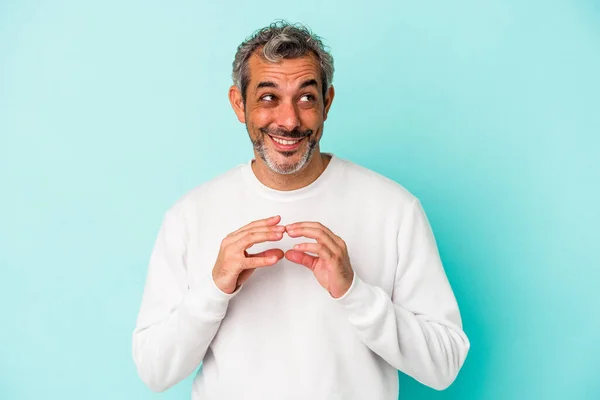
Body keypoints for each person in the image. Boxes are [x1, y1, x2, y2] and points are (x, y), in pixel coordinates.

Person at [132, 20, 470, 400]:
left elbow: (445, 365)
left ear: (327, 102)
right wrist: (214, 289)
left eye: (306, 98)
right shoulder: (189, 216)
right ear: (238, 104)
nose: (289, 121)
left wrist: (354, 292)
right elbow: (154, 371)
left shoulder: (395, 210)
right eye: (268, 97)